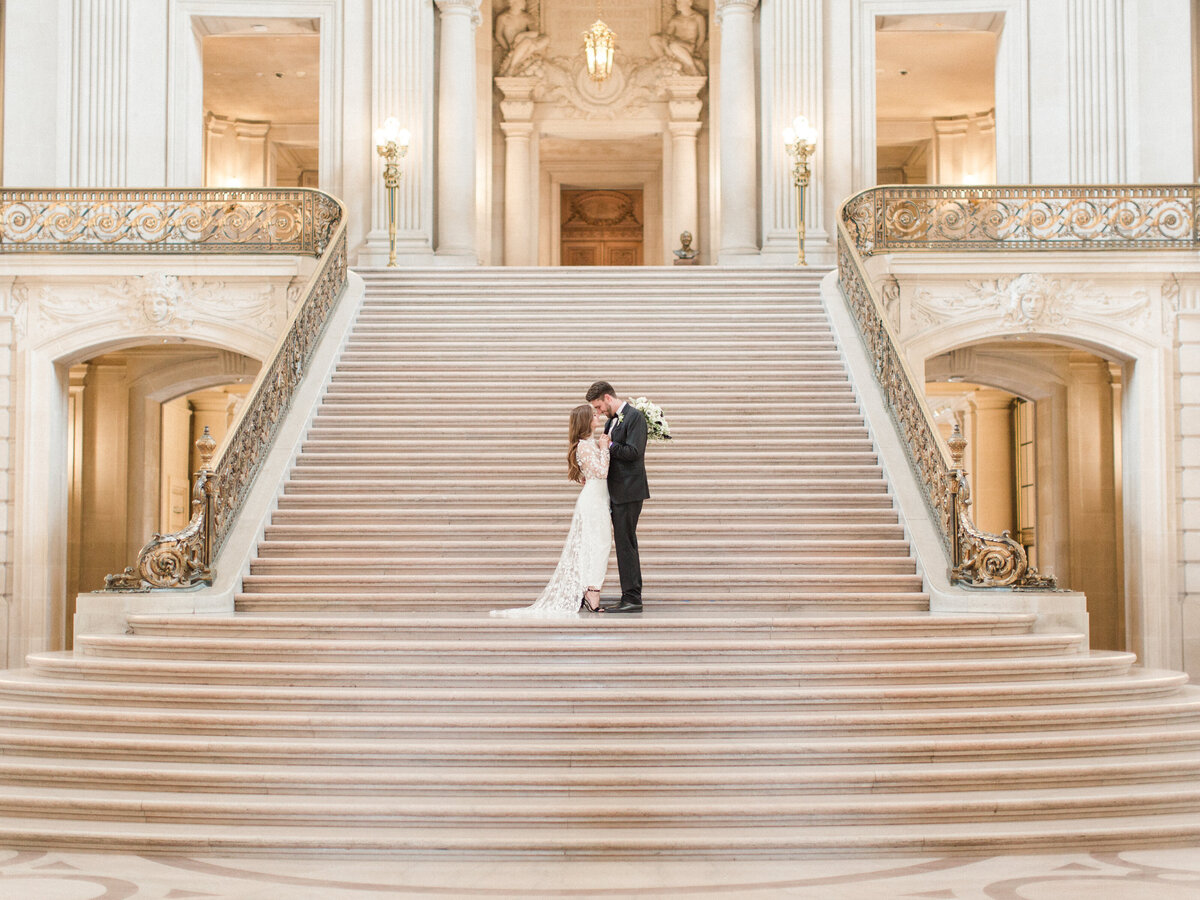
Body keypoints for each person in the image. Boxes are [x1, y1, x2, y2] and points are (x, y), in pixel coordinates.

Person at [491, 405, 611, 618]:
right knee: (599, 545)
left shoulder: (588, 444)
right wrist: (605, 448)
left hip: (598, 498)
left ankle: (591, 589)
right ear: (585, 420)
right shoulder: (585, 446)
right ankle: (592, 592)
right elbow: (601, 472)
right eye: (593, 415)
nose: (597, 416)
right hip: (593, 500)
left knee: (599, 545)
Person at [586, 381, 649, 613]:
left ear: (607, 398)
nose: (599, 412)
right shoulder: (613, 421)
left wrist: (609, 445)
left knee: (626, 543)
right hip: (615, 490)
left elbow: (634, 452)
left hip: (630, 490)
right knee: (623, 543)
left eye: (599, 406)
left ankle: (632, 597)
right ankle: (630, 594)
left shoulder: (635, 418)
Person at [649, 0, 707, 77]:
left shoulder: (698, 17)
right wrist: (666, 48)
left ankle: (693, 67)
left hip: (689, 45)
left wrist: (696, 50)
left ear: (689, 3)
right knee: (653, 39)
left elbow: (702, 36)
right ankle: (665, 60)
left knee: (674, 46)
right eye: (677, 2)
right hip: (675, 43)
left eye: (680, 2)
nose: (677, 4)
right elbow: (667, 36)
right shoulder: (675, 19)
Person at [494, 0, 550, 77]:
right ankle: (511, 68)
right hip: (513, 45)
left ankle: (524, 56)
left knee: (546, 39)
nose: (524, 3)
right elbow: (498, 35)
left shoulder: (527, 17)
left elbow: (535, 33)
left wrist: (522, 34)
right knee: (527, 42)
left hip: (526, 43)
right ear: (513, 2)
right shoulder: (503, 18)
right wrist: (507, 48)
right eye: (521, 1)